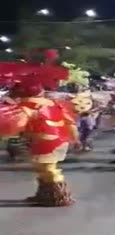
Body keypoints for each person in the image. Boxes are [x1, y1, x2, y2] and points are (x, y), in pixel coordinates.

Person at [0, 75, 77, 206]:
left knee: (48, 169)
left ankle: (59, 196)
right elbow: (70, 122)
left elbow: (17, 125)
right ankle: (46, 195)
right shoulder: (55, 104)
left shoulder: (27, 107)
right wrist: (74, 137)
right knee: (45, 169)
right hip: (60, 139)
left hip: (43, 142)